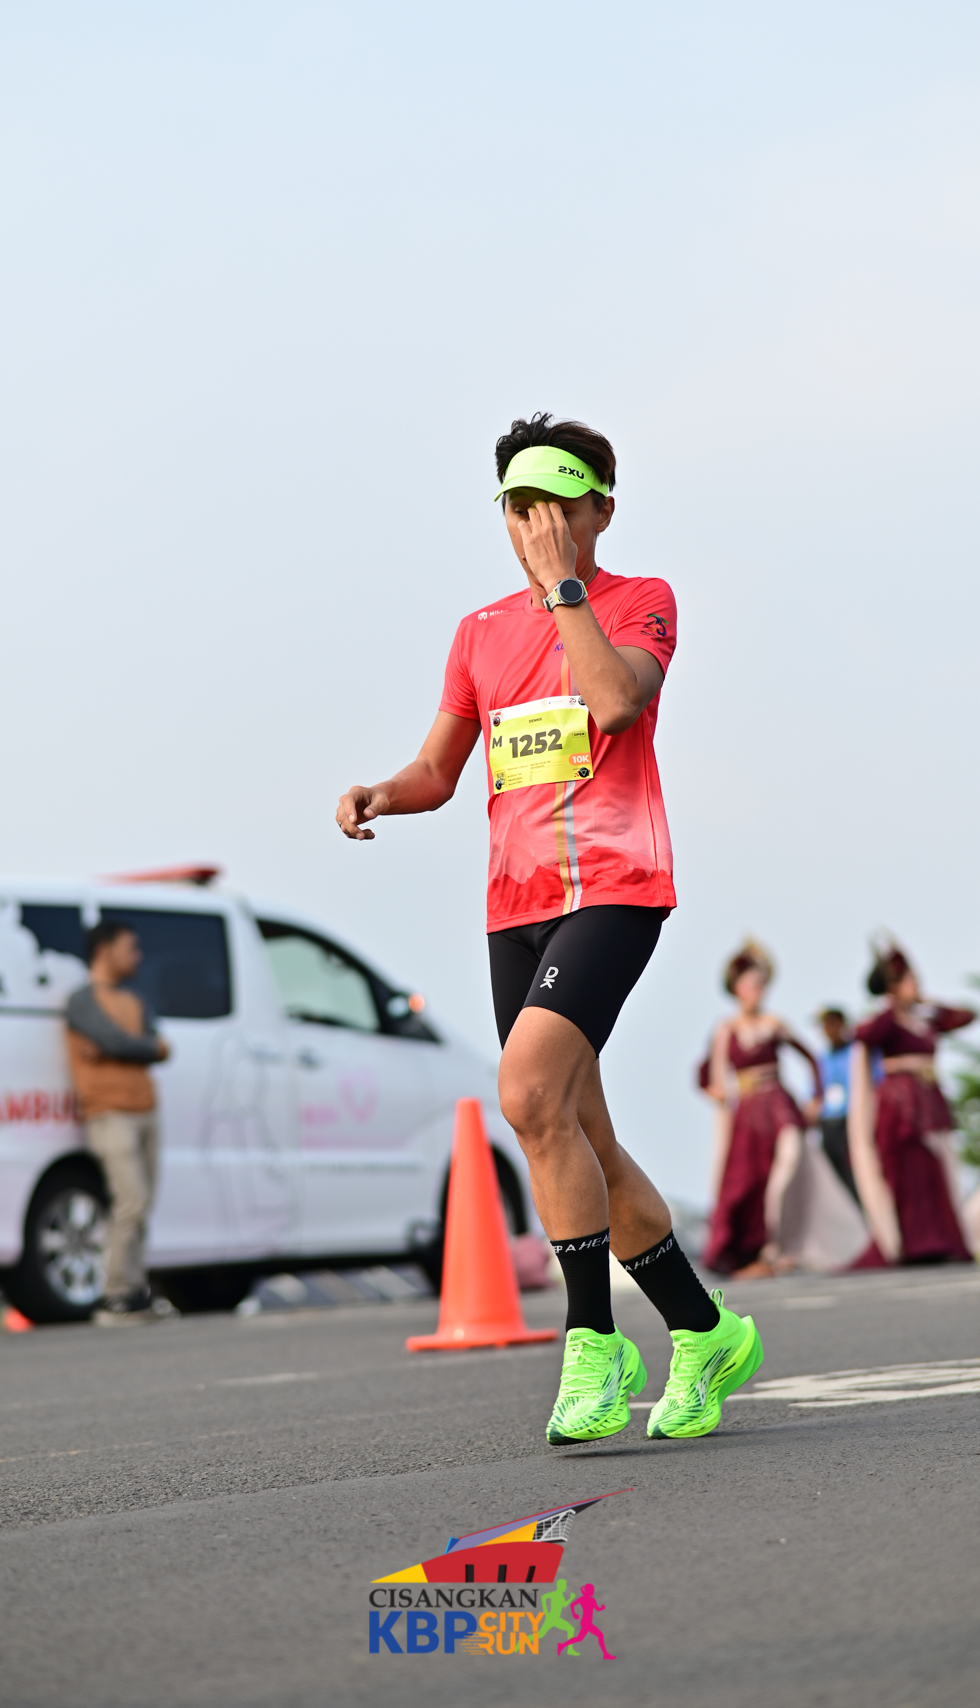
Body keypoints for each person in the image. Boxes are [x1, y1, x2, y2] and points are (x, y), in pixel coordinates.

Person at [336, 411, 763, 1445]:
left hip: (615, 889)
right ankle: (703, 1330)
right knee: (578, 1136)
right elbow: (439, 769)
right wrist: (382, 791)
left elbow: (614, 704)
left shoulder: (640, 600)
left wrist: (565, 588)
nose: (536, 526)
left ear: (599, 511)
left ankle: (591, 1342)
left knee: (526, 1092)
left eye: (557, 507)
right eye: (519, 508)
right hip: (516, 907)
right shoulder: (479, 632)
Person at [66, 920, 170, 1323]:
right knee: (131, 1200)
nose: (138, 957)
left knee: (144, 1205)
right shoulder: (83, 1000)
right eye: (131, 947)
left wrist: (131, 1048)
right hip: (109, 1112)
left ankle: (136, 1291)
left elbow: (157, 1046)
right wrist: (140, 1047)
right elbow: (121, 1041)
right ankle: (114, 1295)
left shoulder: (136, 1000)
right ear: (105, 950)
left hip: (146, 1108)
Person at [701, 941, 824, 1278]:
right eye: (752, 984)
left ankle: (781, 1245)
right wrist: (715, 1090)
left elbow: (812, 1058)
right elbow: (704, 1072)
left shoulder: (774, 1024)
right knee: (747, 1183)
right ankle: (755, 1254)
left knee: (790, 1161)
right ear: (737, 989)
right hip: (747, 1115)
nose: (758, 990)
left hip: (779, 1106)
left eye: (761, 984)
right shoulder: (726, 1029)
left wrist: (816, 1099)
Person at [848, 940, 974, 1266]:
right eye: (908, 980)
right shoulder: (889, 1021)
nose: (915, 985)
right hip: (899, 1104)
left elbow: (964, 1017)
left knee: (934, 1169)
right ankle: (912, 1243)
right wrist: (891, 1005)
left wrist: (928, 1003)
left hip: (928, 1097)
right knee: (906, 1172)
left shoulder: (924, 1019)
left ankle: (941, 1239)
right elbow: (863, 1034)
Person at [816, 1006, 858, 1197]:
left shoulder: (857, 1054)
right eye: (825, 1026)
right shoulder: (822, 1059)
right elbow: (815, 1094)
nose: (828, 1030)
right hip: (829, 1124)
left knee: (855, 1171)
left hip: (852, 1121)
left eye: (831, 1024)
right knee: (836, 1175)